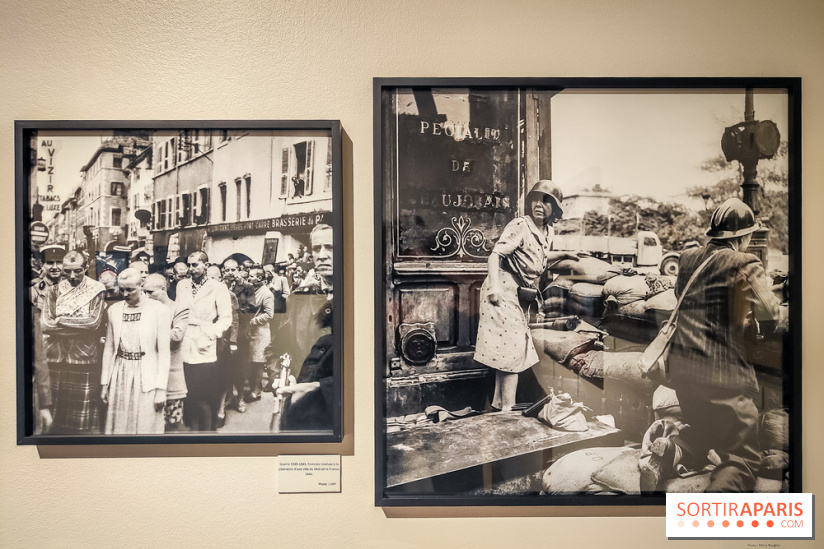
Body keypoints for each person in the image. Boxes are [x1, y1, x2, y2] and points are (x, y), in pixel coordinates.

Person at [645, 198, 781, 492]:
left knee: (706, 433)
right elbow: (771, 314)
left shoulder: (688, 258)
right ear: (744, 237)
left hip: (685, 376)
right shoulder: (745, 262)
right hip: (724, 381)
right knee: (743, 458)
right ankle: (713, 520)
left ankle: (672, 450)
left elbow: (699, 302)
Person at [474, 180, 577, 412]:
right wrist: (494, 287)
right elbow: (495, 255)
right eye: (535, 199)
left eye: (546, 201)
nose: (538, 205)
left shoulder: (548, 231)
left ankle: (500, 407)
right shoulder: (521, 225)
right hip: (501, 287)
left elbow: (540, 256)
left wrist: (566, 254)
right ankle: (507, 410)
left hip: (517, 293)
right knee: (511, 351)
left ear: (556, 208)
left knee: (507, 351)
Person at [272, 223, 335, 430]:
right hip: (300, 411)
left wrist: (321, 387)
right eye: (316, 249)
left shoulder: (366, 296)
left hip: (339, 414)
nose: (322, 255)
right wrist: (281, 375)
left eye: (331, 248)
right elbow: (278, 348)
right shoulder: (298, 298)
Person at [40, 250, 106, 434]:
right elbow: (45, 325)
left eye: (77, 270)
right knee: (55, 414)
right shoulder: (54, 290)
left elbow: (93, 323)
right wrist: (77, 327)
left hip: (82, 358)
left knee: (79, 421)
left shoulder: (96, 290)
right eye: (67, 271)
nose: (71, 276)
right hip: (56, 358)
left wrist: (60, 320)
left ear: (86, 267)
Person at [100, 269, 171, 434]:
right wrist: (105, 384)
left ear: (141, 285)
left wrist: (161, 389)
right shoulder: (114, 310)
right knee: (120, 424)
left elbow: (164, 352)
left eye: (130, 289)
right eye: (122, 289)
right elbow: (109, 348)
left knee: (146, 425)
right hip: (120, 374)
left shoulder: (159, 310)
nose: (125, 293)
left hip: (146, 375)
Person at [175, 251, 232, 431]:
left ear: (206, 265)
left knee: (205, 391)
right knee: (187, 389)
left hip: (205, 340)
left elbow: (226, 318)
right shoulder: (182, 285)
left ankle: (208, 431)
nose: (191, 269)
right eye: (189, 265)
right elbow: (178, 312)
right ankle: (192, 429)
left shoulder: (218, 287)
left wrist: (210, 334)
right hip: (185, 340)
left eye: (195, 265)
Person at [143, 273, 189, 431]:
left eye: (150, 292)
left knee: (171, 424)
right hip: (148, 375)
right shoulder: (144, 308)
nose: (146, 296)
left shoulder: (178, 308)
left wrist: (147, 334)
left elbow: (176, 336)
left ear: (163, 289)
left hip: (171, 376)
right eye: (144, 292)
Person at [30, 244, 66, 433]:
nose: (54, 267)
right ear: (42, 265)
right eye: (49, 262)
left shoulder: (71, 288)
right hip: (43, 349)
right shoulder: (34, 290)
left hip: (65, 350)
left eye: (58, 262)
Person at [237, 266, 274, 403]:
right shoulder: (249, 290)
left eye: (252, 276)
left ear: (259, 278)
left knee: (258, 362)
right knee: (250, 361)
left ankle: (256, 390)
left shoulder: (267, 293)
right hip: (249, 331)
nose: (249, 278)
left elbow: (270, 314)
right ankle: (252, 387)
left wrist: (253, 321)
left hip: (260, 332)